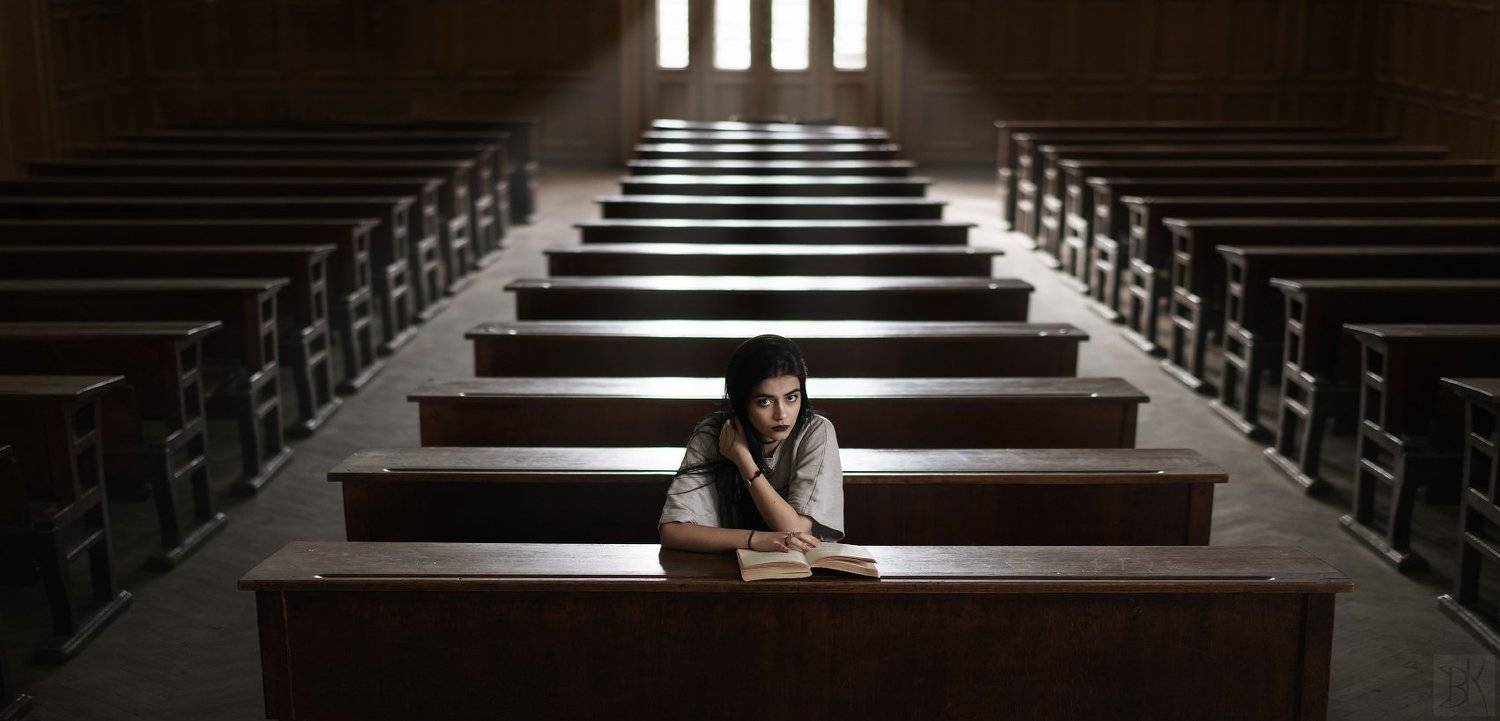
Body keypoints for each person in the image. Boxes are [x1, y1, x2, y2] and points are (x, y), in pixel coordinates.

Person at [658, 334, 844, 554]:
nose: (782, 414)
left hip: (798, 573)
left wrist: (743, 459)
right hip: (723, 572)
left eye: (791, 397)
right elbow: (672, 532)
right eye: (764, 401)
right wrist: (754, 540)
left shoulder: (814, 431)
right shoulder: (714, 434)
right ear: (741, 402)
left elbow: (795, 530)